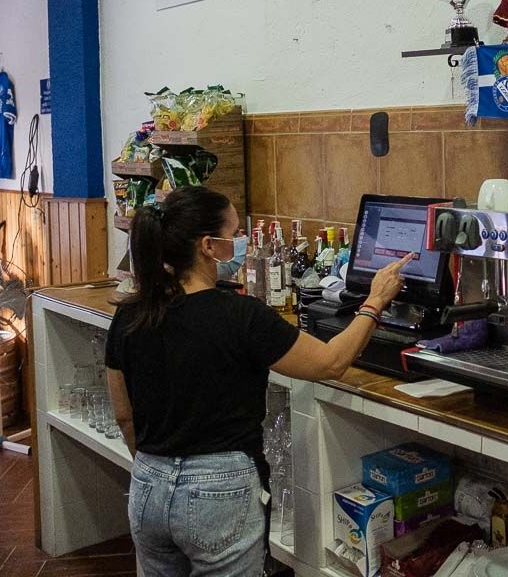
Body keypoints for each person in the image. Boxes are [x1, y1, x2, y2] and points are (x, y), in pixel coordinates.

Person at [105, 186, 409, 576]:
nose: (241, 244)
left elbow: (123, 414)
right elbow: (332, 363)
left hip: (148, 482)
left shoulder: (130, 314)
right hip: (220, 491)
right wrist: (375, 301)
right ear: (208, 247)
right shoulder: (239, 315)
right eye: (232, 235)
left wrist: (161, 470)